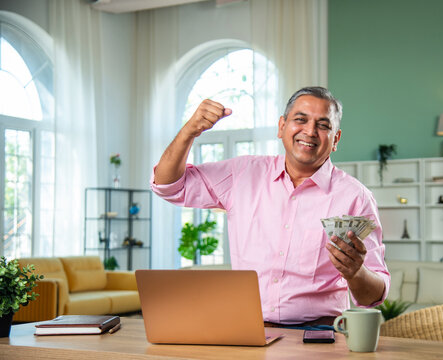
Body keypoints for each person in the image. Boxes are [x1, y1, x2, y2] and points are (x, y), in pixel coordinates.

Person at [151, 86, 389, 326]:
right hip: (248, 326)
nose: (310, 131)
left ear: (335, 139)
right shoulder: (241, 174)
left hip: (320, 331)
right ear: (281, 127)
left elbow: (372, 297)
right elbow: (168, 186)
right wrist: (189, 131)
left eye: (323, 125)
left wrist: (356, 272)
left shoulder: (356, 198)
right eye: (300, 120)